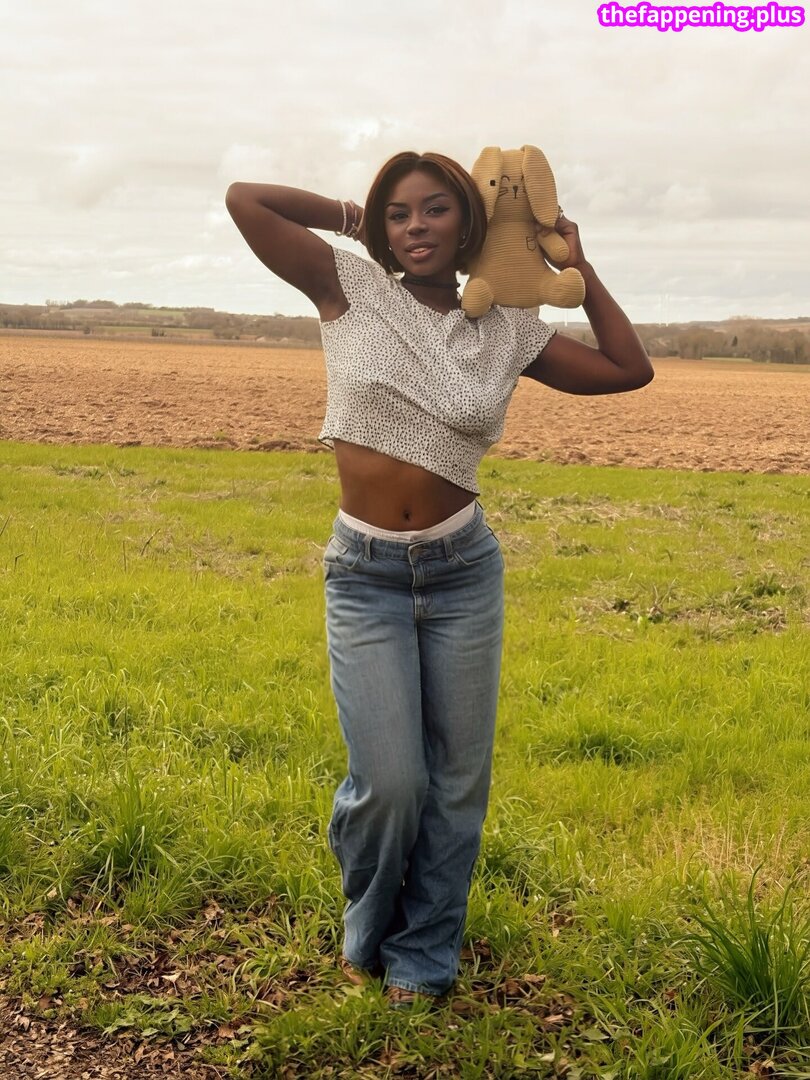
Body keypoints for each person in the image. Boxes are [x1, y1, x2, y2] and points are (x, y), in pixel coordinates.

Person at [224, 151, 653, 1009]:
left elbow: (627, 368)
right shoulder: (349, 287)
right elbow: (247, 199)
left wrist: (579, 266)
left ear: (468, 223)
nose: (416, 227)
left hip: (461, 575)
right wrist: (357, 219)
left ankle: (423, 958)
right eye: (400, 213)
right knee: (390, 784)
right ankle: (367, 931)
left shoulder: (509, 330)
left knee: (456, 787)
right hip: (366, 575)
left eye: (434, 210)